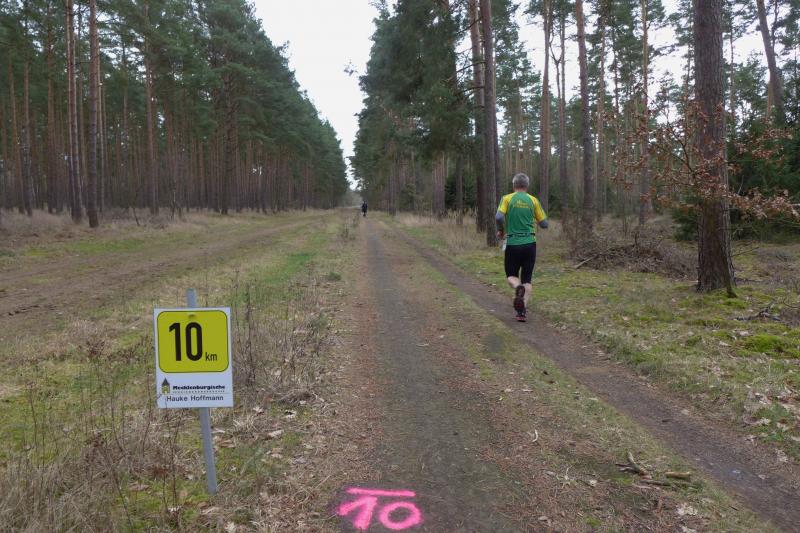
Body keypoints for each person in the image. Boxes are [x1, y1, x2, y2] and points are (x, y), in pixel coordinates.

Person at [495, 173, 548, 322]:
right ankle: (521, 312)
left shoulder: (507, 198)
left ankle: (518, 287)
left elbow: (498, 217)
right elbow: (545, 224)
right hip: (530, 244)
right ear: (527, 185)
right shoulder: (533, 200)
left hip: (513, 243)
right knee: (527, 280)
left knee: (511, 276)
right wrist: (536, 220)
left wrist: (501, 230)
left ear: (514, 185)